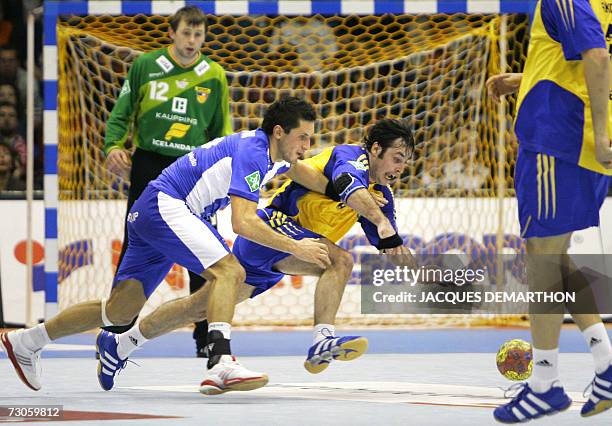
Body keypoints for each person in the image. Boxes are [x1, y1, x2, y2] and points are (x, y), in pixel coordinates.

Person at [0, 96, 332, 396]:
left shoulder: (276, 156)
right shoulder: (254, 153)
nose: (308, 144)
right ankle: (221, 361)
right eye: (303, 136)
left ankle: (26, 341)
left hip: (153, 211)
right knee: (230, 272)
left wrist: (356, 190)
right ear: (278, 132)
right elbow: (243, 222)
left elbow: (314, 178)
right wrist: (297, 247)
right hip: (168, 206)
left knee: (118, 310)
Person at [98, 118, 415, 390]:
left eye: (405, 162)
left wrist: (404, 256)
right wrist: (381, 221)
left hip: (286, 248)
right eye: (397, 158)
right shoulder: (351, 158)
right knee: (341, 260)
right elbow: (349, 187)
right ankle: (322, 340)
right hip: (275, 227)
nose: (400, 168)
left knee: (198, 307)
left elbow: (389, 242)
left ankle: (120, 344)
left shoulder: (380, 196)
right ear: (375, 150)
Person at [486, 0, 612, 421]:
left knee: (542, 261)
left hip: (559, 140)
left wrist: (599, 133)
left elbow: (597, 56)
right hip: (580, 142)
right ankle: (606, 364)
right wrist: (527, 79)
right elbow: (585, 59)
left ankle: (544, 384)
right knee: (556, 258)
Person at [103, 5, 231, 356]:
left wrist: (225, 172)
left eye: (199, 34)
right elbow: (121, 112)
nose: (192, 41)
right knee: (136, 240)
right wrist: (114, 145)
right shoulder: (146, 65)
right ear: (171, 32)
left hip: (194, 167)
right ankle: (117, 328)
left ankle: (206, 336)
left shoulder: (214, 74)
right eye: (186, 33)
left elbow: (222, 130)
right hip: (149, 162)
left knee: (205, 247)